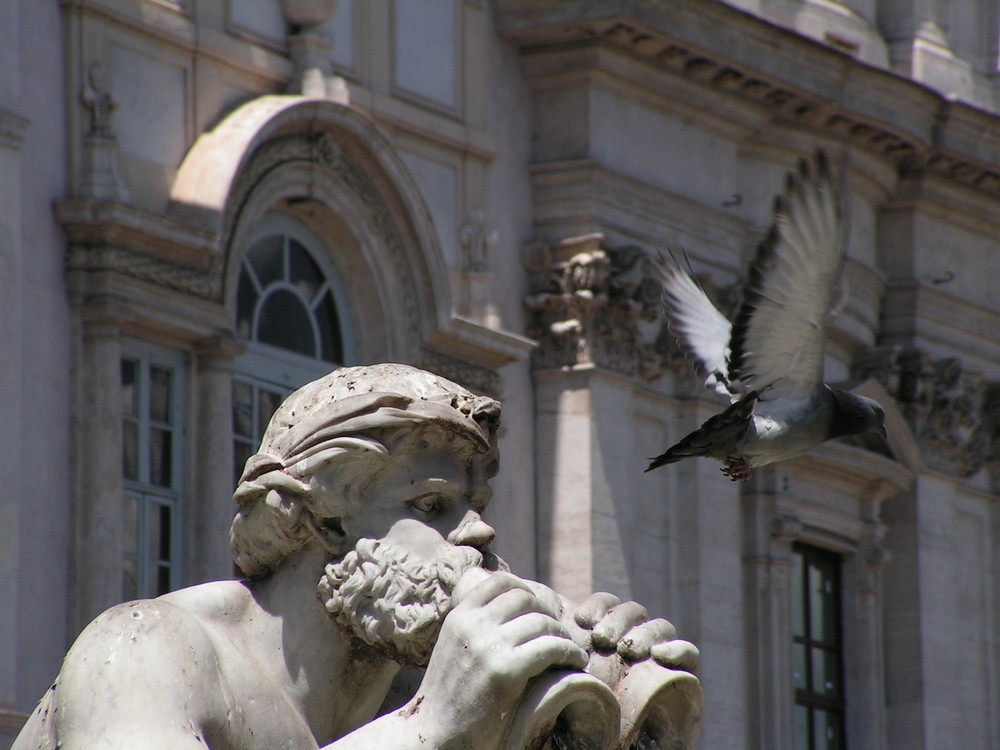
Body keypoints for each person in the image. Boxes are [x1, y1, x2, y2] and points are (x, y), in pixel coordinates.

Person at [14, 364, 699, 749]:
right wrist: (430, 731)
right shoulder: (144, 649)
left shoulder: (427, 690)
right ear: (328, 522)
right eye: (431, 507)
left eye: (477, 507)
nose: (479, 536)